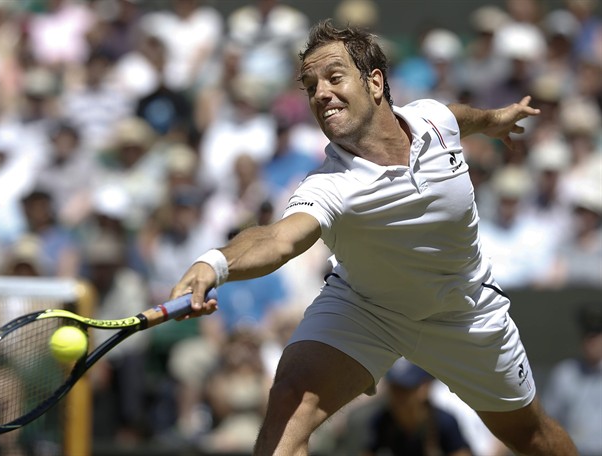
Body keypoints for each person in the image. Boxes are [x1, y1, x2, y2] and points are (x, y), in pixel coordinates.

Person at [169, 20, 577, 455]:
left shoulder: (435, 121)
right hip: (366, 310)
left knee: (533, 437)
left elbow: (464, 117)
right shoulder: (328, 186)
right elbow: (277, 239)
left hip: (464, 312)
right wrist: (213, 263)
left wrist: (497, 120)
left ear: (375, 82)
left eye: (334, 77)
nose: (320, 93)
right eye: (310, 87)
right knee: (289, 400)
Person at [363, 358, 472, 456]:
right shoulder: (382, 422)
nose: (398, 395)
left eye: (405, 389)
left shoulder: (444, 423)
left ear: (424, 388)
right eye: (394, 387)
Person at [542, 302, 602, 456]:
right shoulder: (565, 374)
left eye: (596, 336)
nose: (591, 343)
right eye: (587, 336)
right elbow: (549, 423)